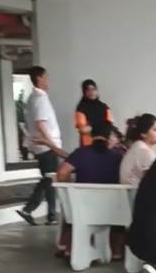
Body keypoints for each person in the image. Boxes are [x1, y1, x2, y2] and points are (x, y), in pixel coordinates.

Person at [55, 123, 124, 258]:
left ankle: (67, 248)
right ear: (108, 137)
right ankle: (116, 251)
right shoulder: (118, 157)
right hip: (111, 212)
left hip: (83, 210)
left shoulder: (81, 153)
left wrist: (68, 189)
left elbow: (62, 172)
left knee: (71, 206)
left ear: (92, 136)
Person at [17, 66, 65, 226]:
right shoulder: (40, 99)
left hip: (42, 146)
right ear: (39, 78)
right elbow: (41, 123)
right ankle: (28, 209)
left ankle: (51, 215)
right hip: (46, 146)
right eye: (46, 77)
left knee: (50, 180)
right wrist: (52, 143)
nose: (48, 80)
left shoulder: (33, 98)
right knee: (48, 179)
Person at [119, 114, 156, 186]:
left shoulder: (137, 148)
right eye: (155, 130)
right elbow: (154, 180)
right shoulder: (144, 151)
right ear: (143, 134)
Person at [74, 79, 113, 147]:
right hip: (88, 144)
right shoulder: (81, 108)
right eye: (88, 90)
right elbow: (83, 129)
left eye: (93, 89)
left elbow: (110, 124)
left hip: (105, 144)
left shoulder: (104, 106)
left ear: (96, 90)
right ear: (84, 92)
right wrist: (99, 126)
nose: (91, 92)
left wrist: (92, 127)